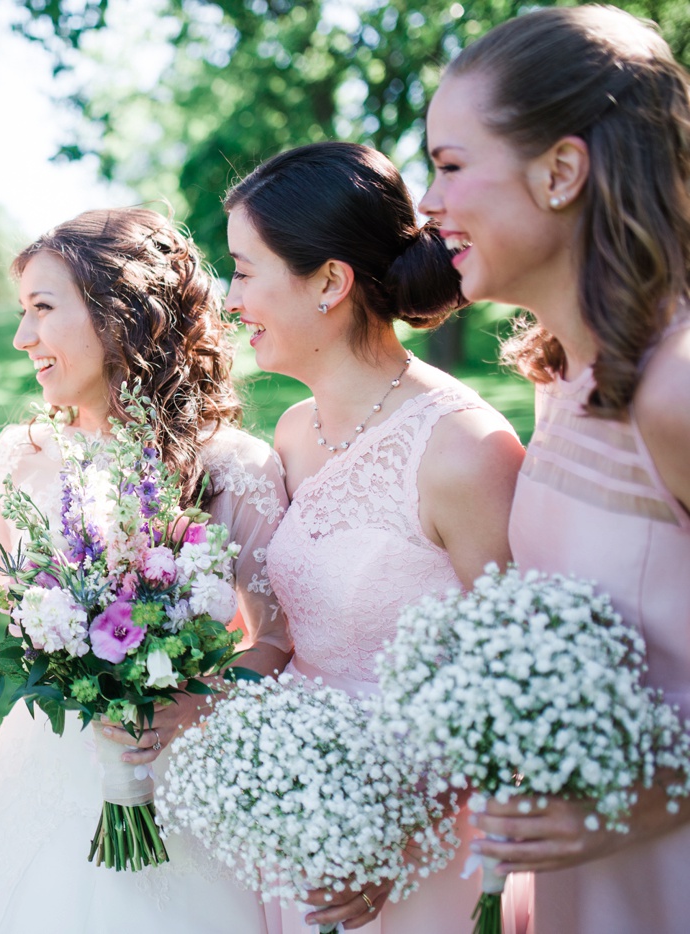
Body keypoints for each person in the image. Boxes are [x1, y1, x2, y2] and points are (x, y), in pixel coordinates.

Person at [0, 207, 292, 934]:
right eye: (22, 312)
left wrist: (196, 703)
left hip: (182, 785)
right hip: (35, 779)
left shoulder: (232, 468)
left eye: (43, 310)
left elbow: (276, 639)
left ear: (119, 317)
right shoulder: (18, 458)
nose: (22, 338)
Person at [418, 7, 690, 931]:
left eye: (451, 166)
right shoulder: (565, 378)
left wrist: (641, 802)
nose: (427, 202)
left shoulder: (676, 390)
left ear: (562, 171)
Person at [223, 141, 528, 932]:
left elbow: (510, 683)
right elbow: (287, 629)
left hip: (425, 847)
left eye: (246, 270)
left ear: (329, 280)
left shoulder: (464, 449)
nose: (230, 298)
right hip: (298, 824)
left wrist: (393, 829)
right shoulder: (292, 432)